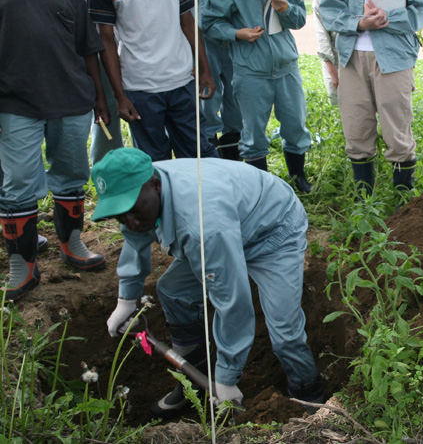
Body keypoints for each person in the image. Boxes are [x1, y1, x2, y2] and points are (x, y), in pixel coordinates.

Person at [93, 148, 326, 419]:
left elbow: (233, 301)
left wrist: (227, 375)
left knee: (285, 331)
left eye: (132, 210)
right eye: (119, 214)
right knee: (172, 290)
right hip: (228, 223)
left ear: (155, 185)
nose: (129, 222)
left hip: (272, 231)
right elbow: (135, 239)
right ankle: (194, 381)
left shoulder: (202, 223)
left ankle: (307, 391)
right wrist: (127, 299)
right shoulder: (138, 187)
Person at [0, 0, 108, 302]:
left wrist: (98, 97)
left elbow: (88, 49)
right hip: (16, 105)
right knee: (18, 184)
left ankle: (71, 244)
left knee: (71, 173)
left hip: (70, 100)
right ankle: (22, 265)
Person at [88, 0, 218, 162]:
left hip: (182, 84)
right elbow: (106, 40)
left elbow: (188, 23)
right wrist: (120, 96)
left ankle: (201, 202)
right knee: (155, 161)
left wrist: (205, 70)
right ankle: (167, 203)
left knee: (199, 155)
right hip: (141, 90)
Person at [319, 0, 423, 196]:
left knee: (397, 131)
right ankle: (363, 205)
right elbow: (329, 9)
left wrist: (386, 18)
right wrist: (360, 22)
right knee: (356, 130)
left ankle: (402, 205)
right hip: (352, 58)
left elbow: (421, 10)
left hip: (393, 57)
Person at [202, 0, 313, 192]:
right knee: (252, 134)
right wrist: (237, 33)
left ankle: (298, 178)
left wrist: (285, 9)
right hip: (251, 70)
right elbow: (210, 23)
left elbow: (299, 20)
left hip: (286, 66)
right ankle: (260, 189)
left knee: (296, 125)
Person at [42, 0, 123, 165]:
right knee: (70, 108)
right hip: (68, 37)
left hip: (113, 33)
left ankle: (108, 177)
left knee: (109, 105)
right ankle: (69, 182)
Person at [170, 0, 242, 161]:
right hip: (202, 45)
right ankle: (213, 166)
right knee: (207, 106)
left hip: (236, 40)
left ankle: (235, 163)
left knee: (238, 101)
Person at [312, 0, 339, 107]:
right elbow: (322, 37)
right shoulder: (320, 0)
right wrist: (332, 70)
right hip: (333, 58)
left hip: (356, 59)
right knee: (337, 103)